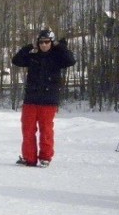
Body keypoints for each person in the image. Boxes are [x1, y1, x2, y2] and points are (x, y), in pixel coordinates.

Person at [11, 26, 76, 167]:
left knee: (46, 130)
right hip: (31, 99)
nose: (44, 45)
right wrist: (29, 46)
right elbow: (16, 60)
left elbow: (71, 60)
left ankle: (45, 157)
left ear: (52, 42)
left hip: (48, 101)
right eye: (41, 42)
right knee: (28, 130)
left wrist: (60, 45)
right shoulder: (33, 56)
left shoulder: (57, 57)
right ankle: (29, 158)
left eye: (47, 42)